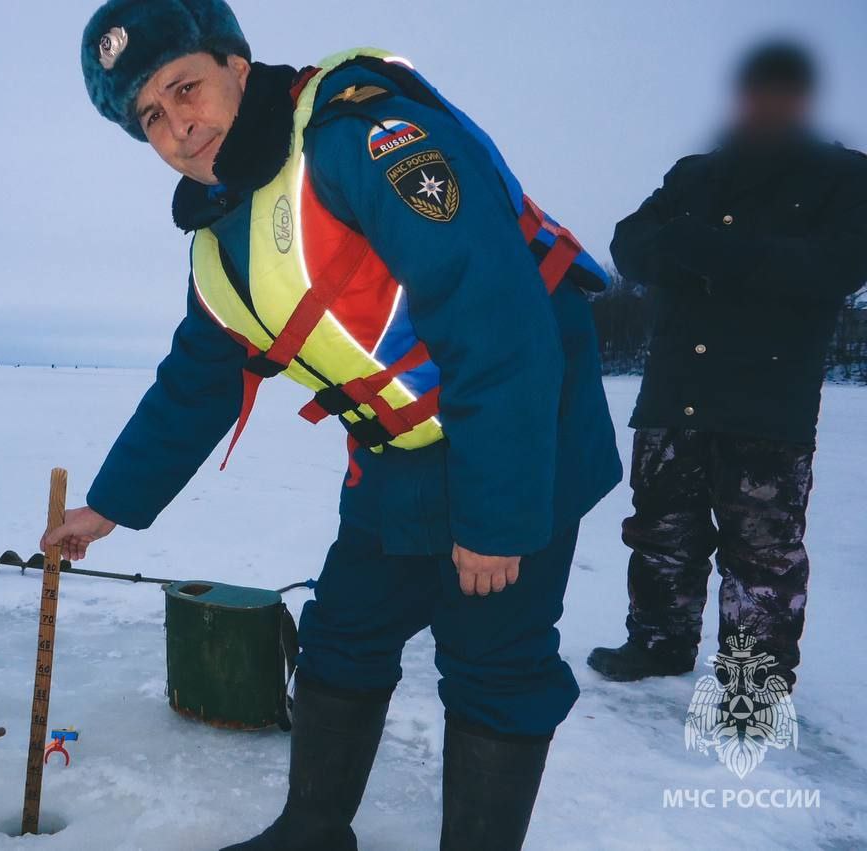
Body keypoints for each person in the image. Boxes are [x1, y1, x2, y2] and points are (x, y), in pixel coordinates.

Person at [44, 1, 622, 847]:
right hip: (395, 455)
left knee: (493, 663)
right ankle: (312, 828)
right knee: (343, 632)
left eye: (185, 88)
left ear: (237, 68)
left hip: (517, 425)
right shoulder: (219, 239)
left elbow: (493, 315)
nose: (178, 126)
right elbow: (196, 383)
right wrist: (109, 505)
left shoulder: (362, 137)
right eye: (152, 117)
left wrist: (497, 517)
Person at [590, 41, 867, 689]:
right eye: (756, 90)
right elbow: (631, 244)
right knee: (661, 530)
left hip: (767, 401)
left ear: (802, 102)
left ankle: (754, 682)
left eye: (782, 92)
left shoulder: (843, 178)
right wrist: (695, 255)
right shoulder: (695, 174)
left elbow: (837, 266)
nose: (765, 104)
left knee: (762, 552)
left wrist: (715, 255)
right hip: (673, 390)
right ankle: (657, 642)